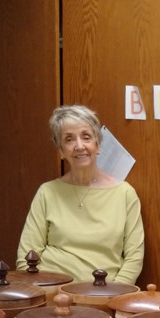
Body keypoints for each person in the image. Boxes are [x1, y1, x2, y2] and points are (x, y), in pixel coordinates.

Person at [16, 105, 145, 284]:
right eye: (69, 139)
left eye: (86, 137)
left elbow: (134, 258)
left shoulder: (125, 194)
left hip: (103, 295)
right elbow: (26, 257)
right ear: (61, 150)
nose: (79, 146)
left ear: (98, 144)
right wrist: (44, 292)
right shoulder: (47, 192)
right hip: (52, 294)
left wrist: (112, 294)